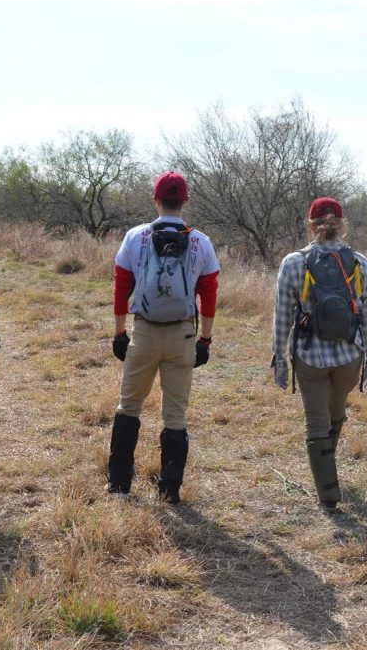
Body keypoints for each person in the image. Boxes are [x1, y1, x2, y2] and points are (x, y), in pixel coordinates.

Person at [108, 171, 219, 504]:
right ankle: (169, 491)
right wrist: (206, 340)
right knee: (175, 416)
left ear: (156, 200)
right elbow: (210, 294)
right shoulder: (201, 241)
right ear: (185, 201)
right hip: (183, 334)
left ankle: (119, 487)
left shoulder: (134, 237)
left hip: (142, 331)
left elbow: (121, 286)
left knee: (129, 408)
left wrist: (119, 331)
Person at [271, 197, 367, 515]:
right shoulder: (360, 262)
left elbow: (282, 315)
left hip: (309, 356)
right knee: (336, 412)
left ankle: (328, 496)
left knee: (316, 423)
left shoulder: (294, 262)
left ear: (310, 226)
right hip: (350, 355)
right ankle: (327, 470)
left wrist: (279, 356)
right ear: (342, 226)